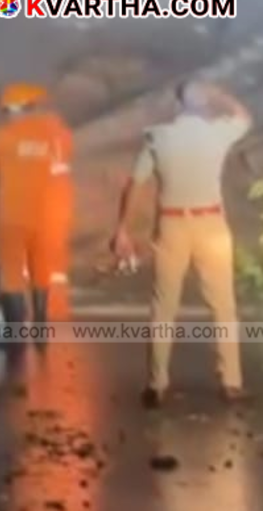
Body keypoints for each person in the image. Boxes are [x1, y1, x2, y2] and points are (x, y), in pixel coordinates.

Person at [112, 80, 252, 408]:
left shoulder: (158, 137)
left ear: (178, 105)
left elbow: (134, 184)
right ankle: (231, 382)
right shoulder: (218, 131)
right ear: (203, 104)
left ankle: (156, 384)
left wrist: (122, 230)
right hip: (211, 224)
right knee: (223, 306)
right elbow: (245, 117)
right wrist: (220, 94)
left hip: (171, 224)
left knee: (164, 306)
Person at [0, 82, 75, 337]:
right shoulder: (52, 134)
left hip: (10, 217)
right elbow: (63, 159)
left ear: (14, 109)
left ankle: (15, 335)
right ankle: (41, 328)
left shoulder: (1, 137)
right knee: (40, 272)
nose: (5, 115)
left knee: (11, 275)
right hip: (42, 217)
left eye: (6, 110)